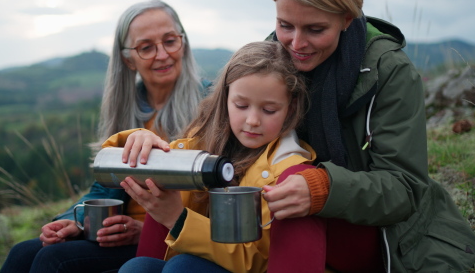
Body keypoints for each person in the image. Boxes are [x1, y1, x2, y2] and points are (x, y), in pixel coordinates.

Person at [260, 0, 475, 273]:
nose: (296, 44)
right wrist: (158, 143)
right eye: (285, 25)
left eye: (315, 29)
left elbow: (404, 189)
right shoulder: (268, 62)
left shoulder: (390, 71)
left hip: (384, 236)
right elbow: (221, 121)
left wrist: (323, 189)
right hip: (287, 227)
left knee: (295, 185)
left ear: (347, 18)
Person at [0, 0, 209, 273]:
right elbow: (104, 188)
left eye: (170, 41)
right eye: (146, 47)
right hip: (116, 232)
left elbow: (214, 194)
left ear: (183, 42)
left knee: (54, 260)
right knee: (23, 252)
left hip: (170, 238)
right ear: (127, 59)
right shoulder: (128, 108)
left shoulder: (210, 105)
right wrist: (74, 221)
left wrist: (145, 229)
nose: (162, 54)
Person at [101, 41, 316, 273]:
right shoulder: (201, 143)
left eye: (269, 110)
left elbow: (256, 261)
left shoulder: (286, 169)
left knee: (182, 267)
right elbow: (117, 161)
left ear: (291, 107)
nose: (253, 120)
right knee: (137, 267)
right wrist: (138, 139)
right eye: (241, 105)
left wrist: (177, 218)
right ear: (225, 97)